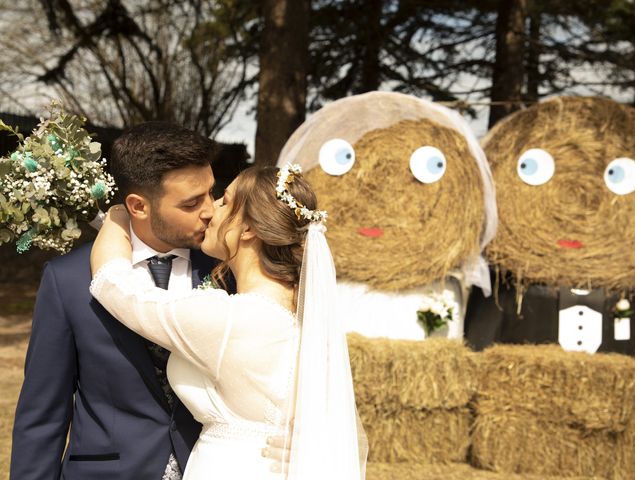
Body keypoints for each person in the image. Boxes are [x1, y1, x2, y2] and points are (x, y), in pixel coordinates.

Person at [10, 122, 261, 479]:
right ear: (138, 206)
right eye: (191, 202)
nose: (209, 210)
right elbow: (42, 415)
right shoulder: (67, 280)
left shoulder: (230, 270)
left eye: (210, 192)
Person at [89, 163, 367, 479]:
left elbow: (115, 285)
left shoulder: (230, 320)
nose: (210, 211)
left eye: (225, 201)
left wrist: (119, 215)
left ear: (248, 229)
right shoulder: (306, 315)